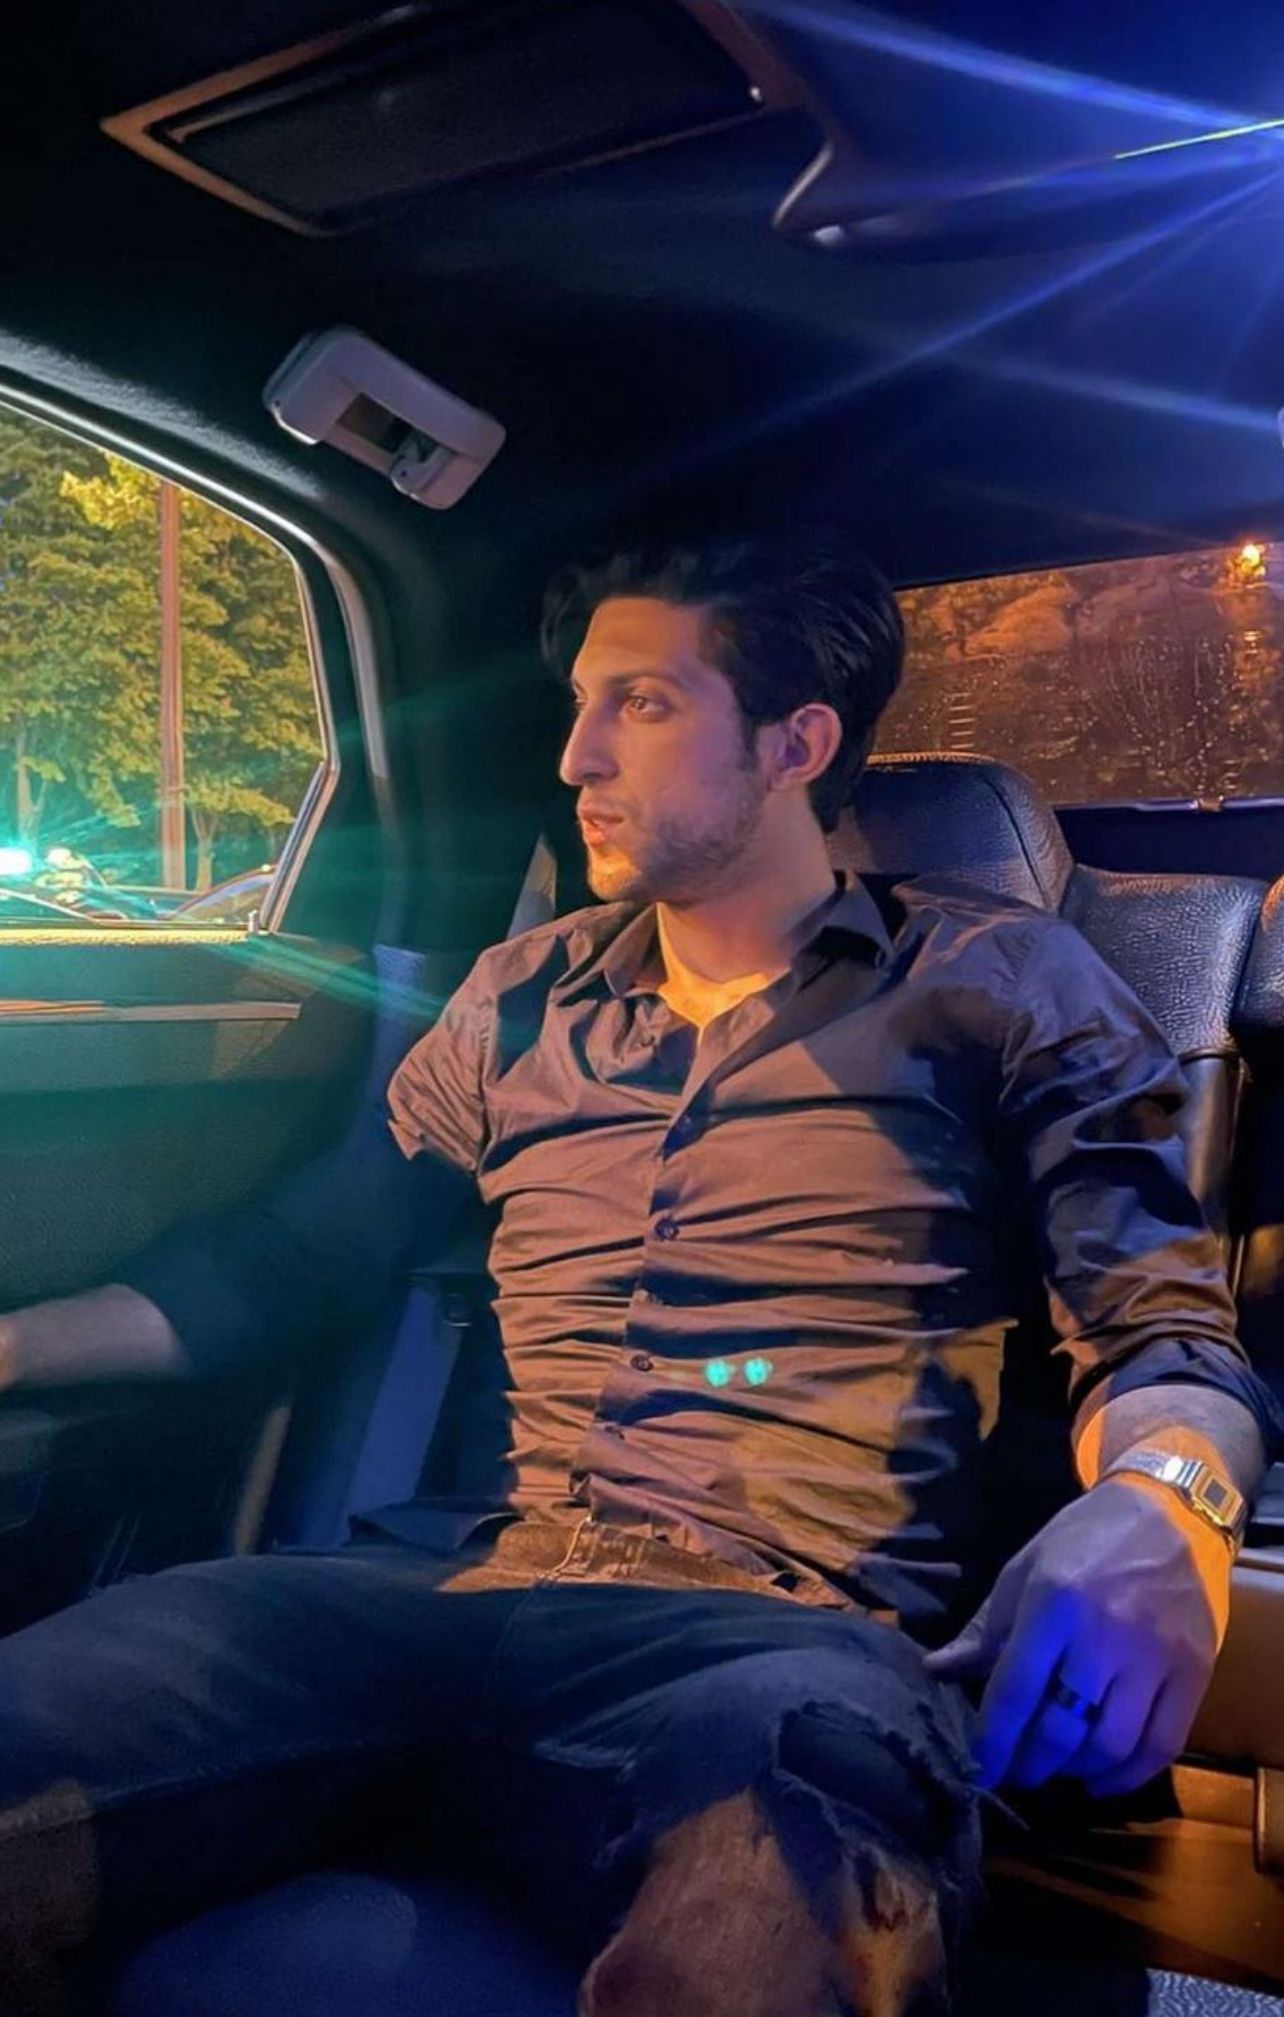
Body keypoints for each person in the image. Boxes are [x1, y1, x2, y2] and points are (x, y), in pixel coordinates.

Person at [0, 529, 1275, 2016]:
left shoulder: (1000, 983)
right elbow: (292, 1261)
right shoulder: (516, 999)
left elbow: (1163, 1335)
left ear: (796, 744)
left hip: (781, 1636)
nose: (576, 756)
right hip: (431, 1583)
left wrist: (1167, 1502)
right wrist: (14, 1347)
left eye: (644, 704)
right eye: (581, 703)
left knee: (773, 1914)